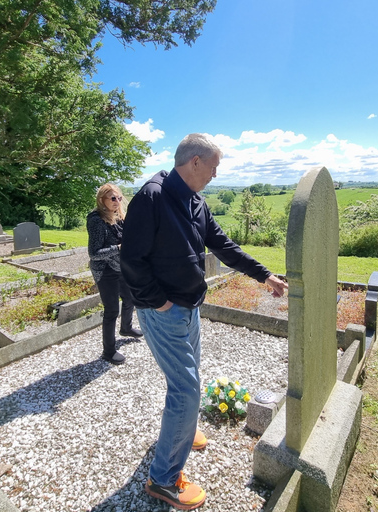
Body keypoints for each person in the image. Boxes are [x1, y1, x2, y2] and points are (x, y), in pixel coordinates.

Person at [120, 133, 288, 510]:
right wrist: (158, 302)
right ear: (194, 162)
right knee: (186, 389)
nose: (216, 174)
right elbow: (130, 260)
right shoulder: (152, 196)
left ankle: (180, 429)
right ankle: (163, 480)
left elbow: (223, 245)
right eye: (213, 167)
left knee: (188, 380)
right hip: (164, 311)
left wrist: (264, 275)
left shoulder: (196, 201)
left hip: (190, 306)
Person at [87, 183, 143, 365]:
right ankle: (108, 351)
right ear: (102, 200)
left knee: (130, 299)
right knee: (111, 310)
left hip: (121, 267)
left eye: (119, 198)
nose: (117, 201)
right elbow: (94, 254)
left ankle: (126, 328)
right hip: (105, 271)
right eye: (112, 198)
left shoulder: (120, 217)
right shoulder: (96, 220)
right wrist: (118, 248)